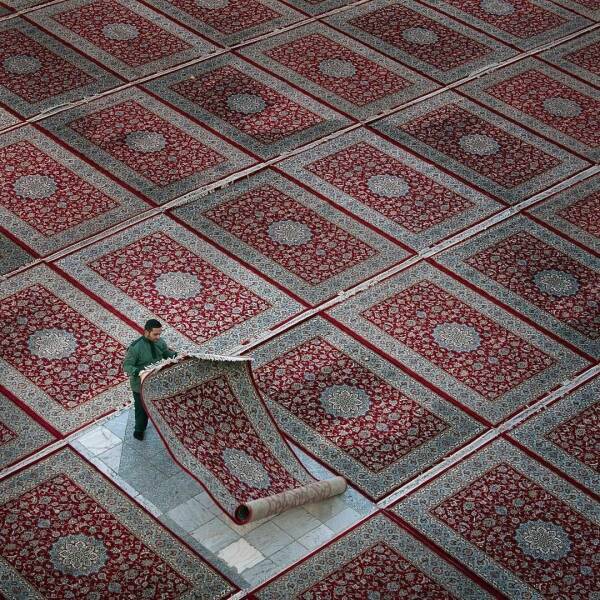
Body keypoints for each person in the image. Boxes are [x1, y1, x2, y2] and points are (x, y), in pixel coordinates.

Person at [123, 319, 177, 441]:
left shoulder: (160, 342)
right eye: (155, 334)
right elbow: (126, 366)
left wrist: (177, 356)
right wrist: (140, 372)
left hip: (156, 380)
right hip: (140, 384)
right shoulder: (135, 348)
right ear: (147, 332)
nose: (158, 337)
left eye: (159, 334)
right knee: (141, 408)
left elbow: (166, 353)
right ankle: (139, 429)